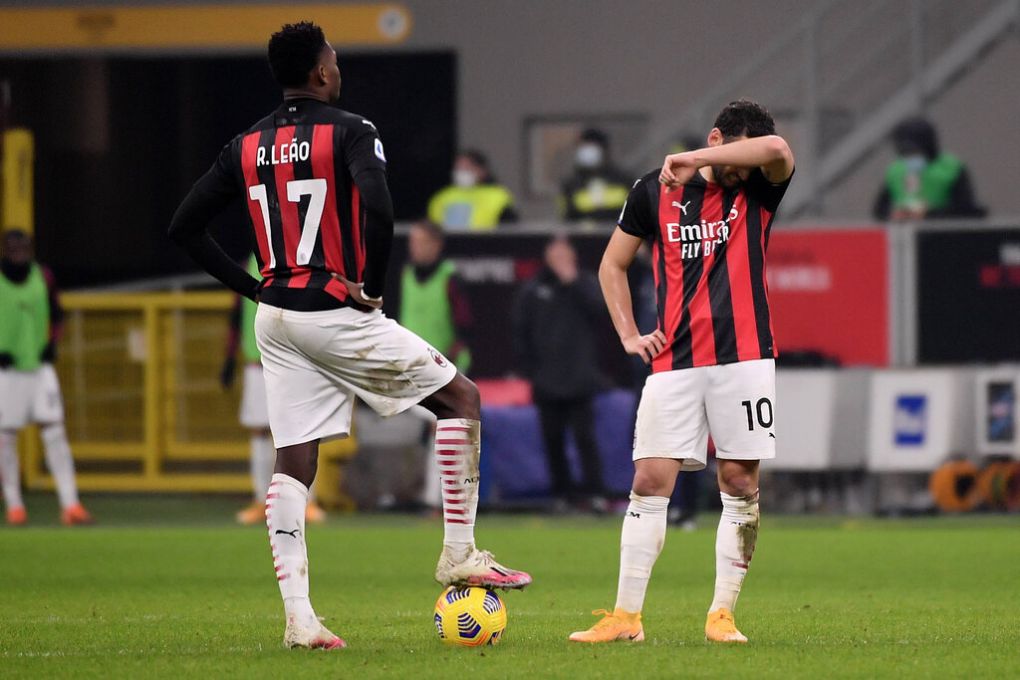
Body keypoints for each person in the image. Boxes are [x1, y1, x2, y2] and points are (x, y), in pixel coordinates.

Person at [168, 22, 530, 650]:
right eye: (332, 59)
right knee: (461, 400)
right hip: (332, 309)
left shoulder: (246, 144)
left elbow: (185, 226)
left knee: (294, 461)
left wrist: (251, 287)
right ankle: (458, 553)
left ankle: (300, 620)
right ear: (318, 73)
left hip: (276, 318)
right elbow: (380, 207)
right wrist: (369, 284)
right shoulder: (351, 130)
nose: (337, 68)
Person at [569, 99, 794, 645]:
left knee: (739, 482)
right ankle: (625, 617)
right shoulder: (653, 190)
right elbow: (611, 264)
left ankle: (722, 614)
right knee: (648, 480)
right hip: (674, 360)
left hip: (744, 357)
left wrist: (694, 157)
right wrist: (628, 333)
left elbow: (778, 150)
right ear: (718, 138)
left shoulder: (758, 185)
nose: (741, 170)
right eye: (732, 156)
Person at [221, 254, 327, 525]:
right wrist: (230, 358)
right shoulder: (249, 264)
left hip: (294, 359)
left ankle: (306, 501)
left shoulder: (297, 256)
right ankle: (261, 499)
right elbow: (236, 314)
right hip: (257, 362)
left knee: (301, 428)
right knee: (260, 429)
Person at [0, 229, 92, 526]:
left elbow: (57, 313)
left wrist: (53, 343)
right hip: (7, 370)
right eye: (13, 247)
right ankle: (14, 505)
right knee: (5, 438)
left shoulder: (43, 276)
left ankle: (70, 504)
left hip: (39, 368)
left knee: (54, 432)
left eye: (23, 246)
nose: (19, 252)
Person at [512, 234, 608, 511]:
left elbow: (600, 310)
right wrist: (531, 370)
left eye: (564, 256)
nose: (560, 262)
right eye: (555, 256)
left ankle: (596, 494)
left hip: (580, 378)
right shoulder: (533, 289)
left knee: (585, 439)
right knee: (552, 440)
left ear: (573, 257)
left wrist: (573, 282)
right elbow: (520, 330)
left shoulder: (587, 283)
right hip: (546, 380)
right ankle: (562, 495)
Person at [872, 116, 985, 221]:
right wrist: (895, 214)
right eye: (903, 151)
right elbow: (879, 211)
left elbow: (966, 211)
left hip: (942, 236)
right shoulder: (895, 170)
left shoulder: (951, 168)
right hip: (905, 237)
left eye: (912, 149)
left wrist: (929, 214)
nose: (908, 155)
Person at [427, 150, 517, 230]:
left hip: (485, 245)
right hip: (449, 245)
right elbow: (430, 228)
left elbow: (509, 228)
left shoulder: (498, 195)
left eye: (467, 168)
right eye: (458, 168)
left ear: (482, 170)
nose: (462, 172)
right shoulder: (443, 196)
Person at [559, 128, 633, 224]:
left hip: (619, 236)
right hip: (582, 238)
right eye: (583, 147)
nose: (587, 152)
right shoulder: (571, 185)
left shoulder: (624, 181)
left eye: (591, 146)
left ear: (604, 149)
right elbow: (565, 218)